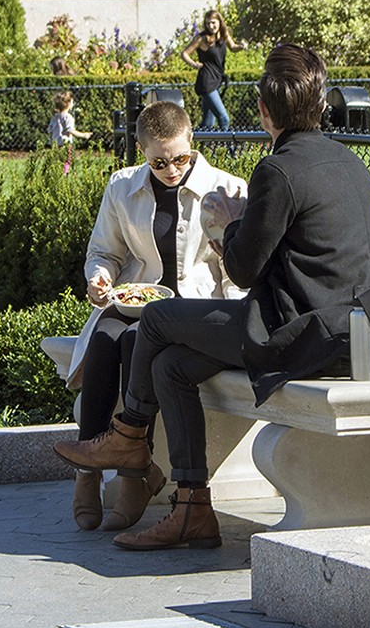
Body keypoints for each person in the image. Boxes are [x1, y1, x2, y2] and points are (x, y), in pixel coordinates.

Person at [54, 44, 370, 550]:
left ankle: (129, 438)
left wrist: (229, 222)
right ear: (322, 105)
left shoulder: (278, 170)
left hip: (302, 335)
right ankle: (193, 507)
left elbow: (243, 271)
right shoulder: (349, 161)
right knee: (172, 364)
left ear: (264, 112)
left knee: (156, 321)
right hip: (353, 330)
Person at [62, 101, 247, 532]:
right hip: (135, 300)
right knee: (105, 339)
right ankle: (86, 473)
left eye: (180, 157)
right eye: (159, 161)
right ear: (142, 152)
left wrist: (239, 315)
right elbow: (104, 252)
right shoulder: (122, 187)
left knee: (132, 343)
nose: (171, 169)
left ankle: (132, 476)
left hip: (192, 311)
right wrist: (99, 279)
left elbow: (236, 269)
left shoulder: (227, 188)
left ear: (193, 143)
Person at [181, 8, 246, 131]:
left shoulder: (223, 36)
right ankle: (228, 149)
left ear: (219, 22)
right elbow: (184, 53)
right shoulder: (202, 38)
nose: (211, 26)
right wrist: (194, 64)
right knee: (224, 118)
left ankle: (201, 146)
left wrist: (241, 46)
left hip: (217, 80)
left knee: (208, 124)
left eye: (213, 22)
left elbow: (233, 47)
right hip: (207, 82)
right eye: (208, 23)